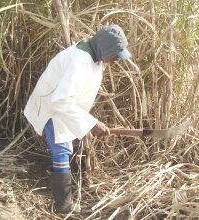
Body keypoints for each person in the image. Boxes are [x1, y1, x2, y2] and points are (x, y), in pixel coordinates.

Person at [24, 24, 131, 213]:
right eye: (115, 54)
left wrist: (88, 122)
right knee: (62, 152)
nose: (116, 60)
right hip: (52, 107)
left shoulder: (94, 54)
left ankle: (65, 199)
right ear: (106, 48)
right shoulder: (79, 60)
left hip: (63, 108)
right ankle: (63, 206)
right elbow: (61, 100)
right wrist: (91, 123)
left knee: (65, 149)